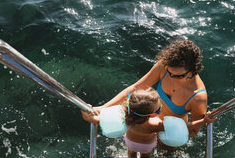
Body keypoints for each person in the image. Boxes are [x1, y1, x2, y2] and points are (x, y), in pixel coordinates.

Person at [82, 39, 216, 140]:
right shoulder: (164, 65)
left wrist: (168, 132)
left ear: (193, 70)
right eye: (169, 73)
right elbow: (135, 88)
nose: (171, 77)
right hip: (144, 120)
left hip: (169, 132)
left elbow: (193, 131)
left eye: (179, 76)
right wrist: (101, 109)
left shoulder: (198, 96)